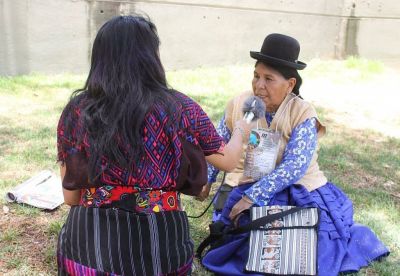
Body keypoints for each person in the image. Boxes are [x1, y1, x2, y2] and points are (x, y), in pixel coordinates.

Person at [56, 15, 251, 275]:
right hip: (162, 255)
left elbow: (71, 198)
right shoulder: (181, 108)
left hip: (88, 256)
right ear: (151, 56)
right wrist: (240, 130)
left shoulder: (77, 111)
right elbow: (227, 160)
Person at [200, 33, 389, 275]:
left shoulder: (302, 113)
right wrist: (207, 179)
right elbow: (217, 142)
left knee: (305, 248)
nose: (259, 85)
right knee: (242, 241)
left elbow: (294, 167)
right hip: (249, 183)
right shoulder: (241, 103)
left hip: (298, 190)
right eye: (256, 76)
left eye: (269, 79)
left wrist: (250, 198)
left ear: (290, 84)